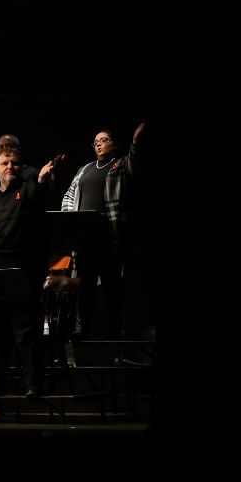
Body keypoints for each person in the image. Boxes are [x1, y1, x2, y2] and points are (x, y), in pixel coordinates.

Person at [0, 146, 57, 399]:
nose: (10, 167)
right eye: (5, 163)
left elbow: (40, 196)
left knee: (26, 330)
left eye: (15, 163)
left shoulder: (26, 189)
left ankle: (33, 384)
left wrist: (41, 179)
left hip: (20, 270)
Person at [60, 123, 145, 340]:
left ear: (115, 144)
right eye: (96, 142)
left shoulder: (120, 165)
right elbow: (69, 196)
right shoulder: (85, 169)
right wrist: (70, 217)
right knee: (84, 288)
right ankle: (81, 331)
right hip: (84, 240)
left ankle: (114, 335)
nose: (98, 144)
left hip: (109, 238)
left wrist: (135, 145)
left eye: (104, 140)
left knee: (111, 290)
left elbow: (134, 165)